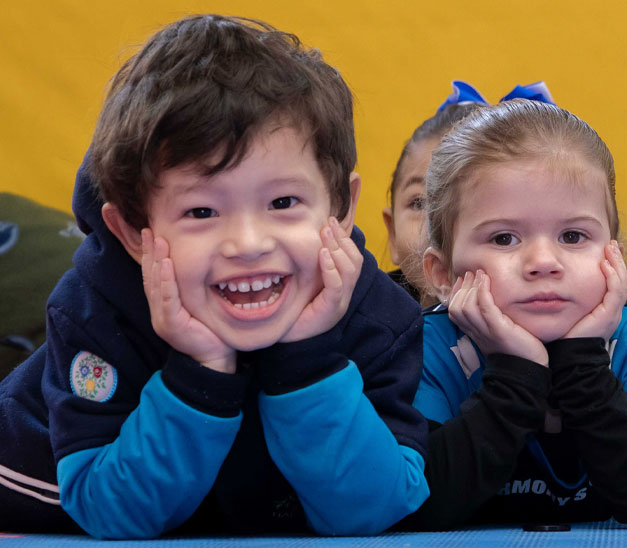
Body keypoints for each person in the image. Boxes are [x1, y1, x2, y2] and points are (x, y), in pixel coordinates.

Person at [0, 14, 428, 537]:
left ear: (340, 208)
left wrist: (308, 362)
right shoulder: (95, 312)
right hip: (31, 484)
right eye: (202, 212)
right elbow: (110, 513)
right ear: (133, 232)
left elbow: (373, 510)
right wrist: (200, 372)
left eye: (283, 202)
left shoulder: (381, 318)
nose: (247, 244)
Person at [399, 99, 627, 531]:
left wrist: (581, 364)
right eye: (504, 238)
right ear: (443, 274)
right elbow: (418, 503)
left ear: (614, 259)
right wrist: (517, 374)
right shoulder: (428, 348)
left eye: (573, 236)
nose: (544, 261)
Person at [382, 81, 552, 305]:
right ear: (392, 233)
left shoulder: (559, 311)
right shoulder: (365, 319)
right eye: (420, 202)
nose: (439, 222)